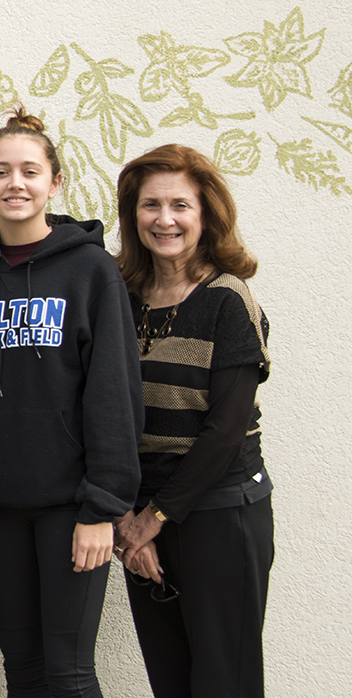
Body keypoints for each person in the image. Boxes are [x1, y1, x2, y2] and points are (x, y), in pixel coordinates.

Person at [0, 105, 143, 697]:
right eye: (1, 172)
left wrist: (102, 508)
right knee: (23, 670)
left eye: (30, 171)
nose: (16, 184)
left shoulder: (90, 272)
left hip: (72, 509)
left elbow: (114, 392)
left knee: (69, 672)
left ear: (54, 182)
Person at [111, 144, 273, 698]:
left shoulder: (228, 300)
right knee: (171, 681)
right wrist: (130, 519)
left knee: (224, 682)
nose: (165, 219)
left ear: (206, 215)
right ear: (133, 216)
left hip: (218, 513)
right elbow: (105, 414)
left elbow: (225, 432)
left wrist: (152, 519)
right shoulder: (123, 300)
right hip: (143, 514)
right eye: (150, 205)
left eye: (180, 205)